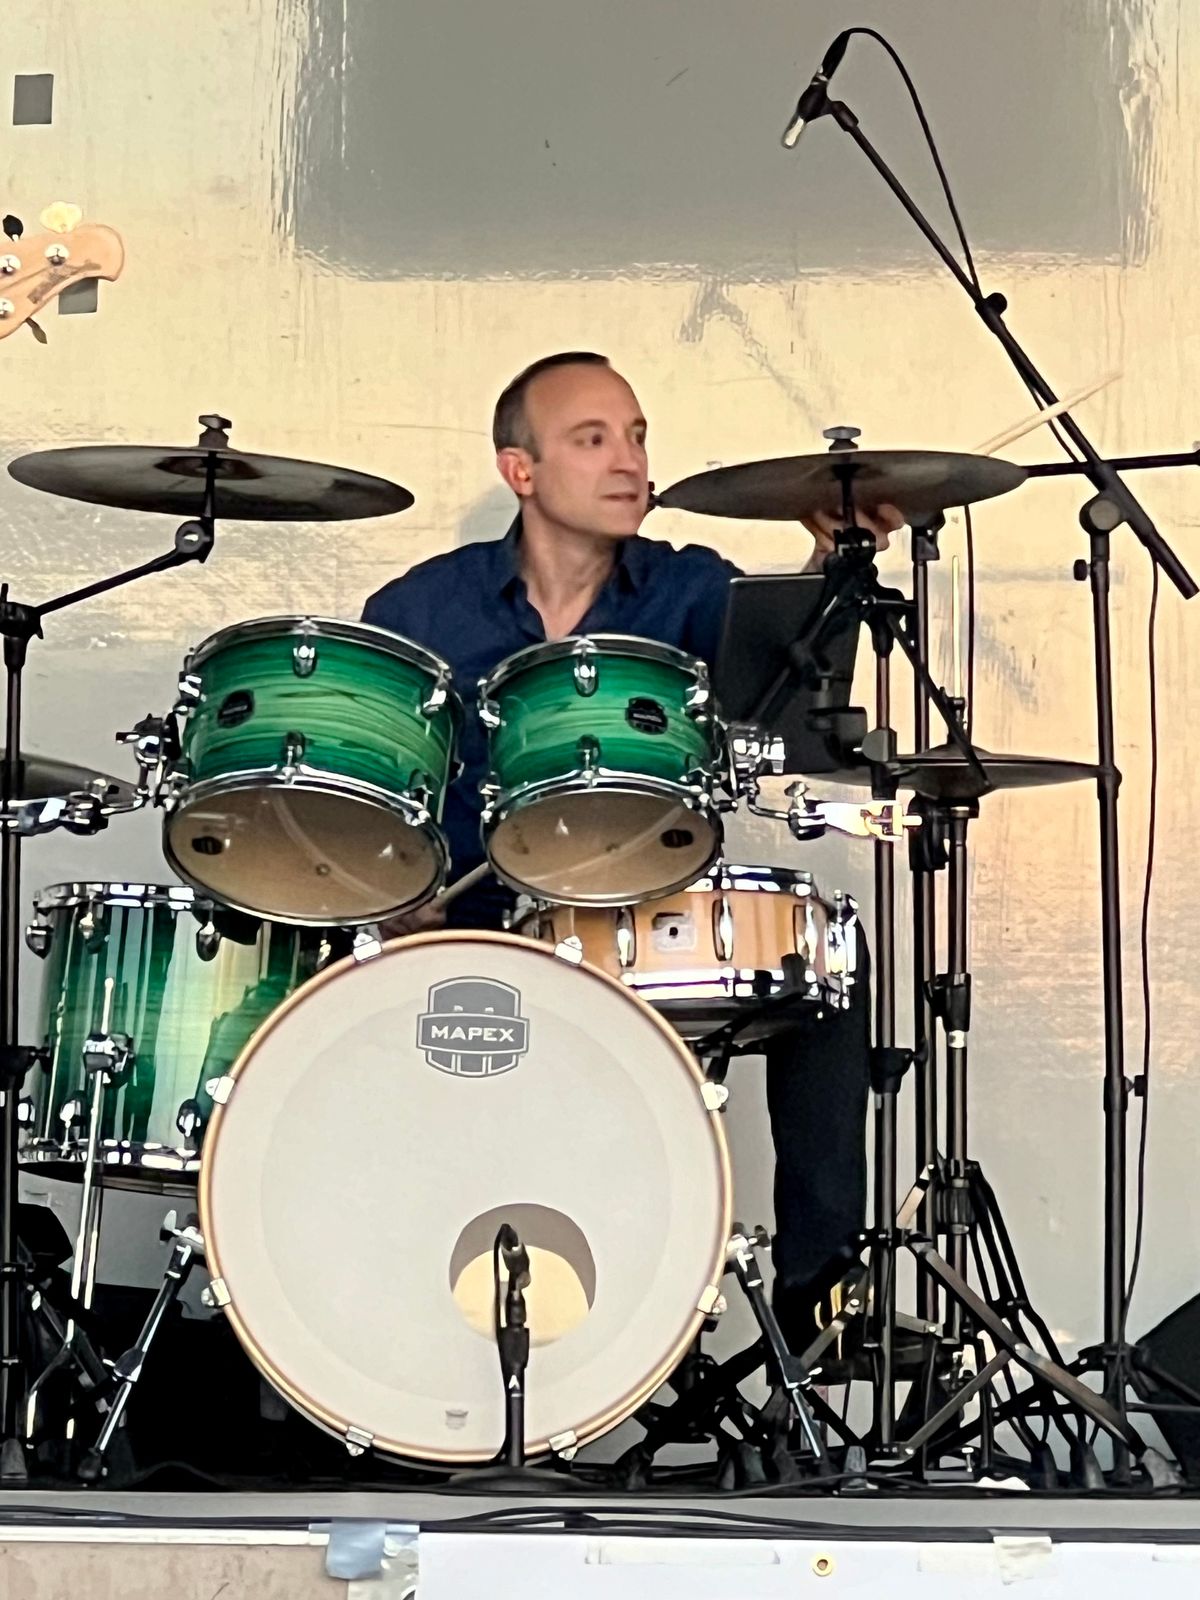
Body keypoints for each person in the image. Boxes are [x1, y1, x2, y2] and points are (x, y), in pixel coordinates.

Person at [362, 351, 901, 1347]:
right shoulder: (421, 611)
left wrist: (831, 576)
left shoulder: (693, 588)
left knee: (827, 963)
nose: (629, 461)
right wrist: (395, 888)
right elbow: (375, 792)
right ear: (520, 470)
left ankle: (819, 1296)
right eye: (593, 438)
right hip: (482, 935)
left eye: (638, 436)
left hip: (644, 921)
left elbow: (787, 708)